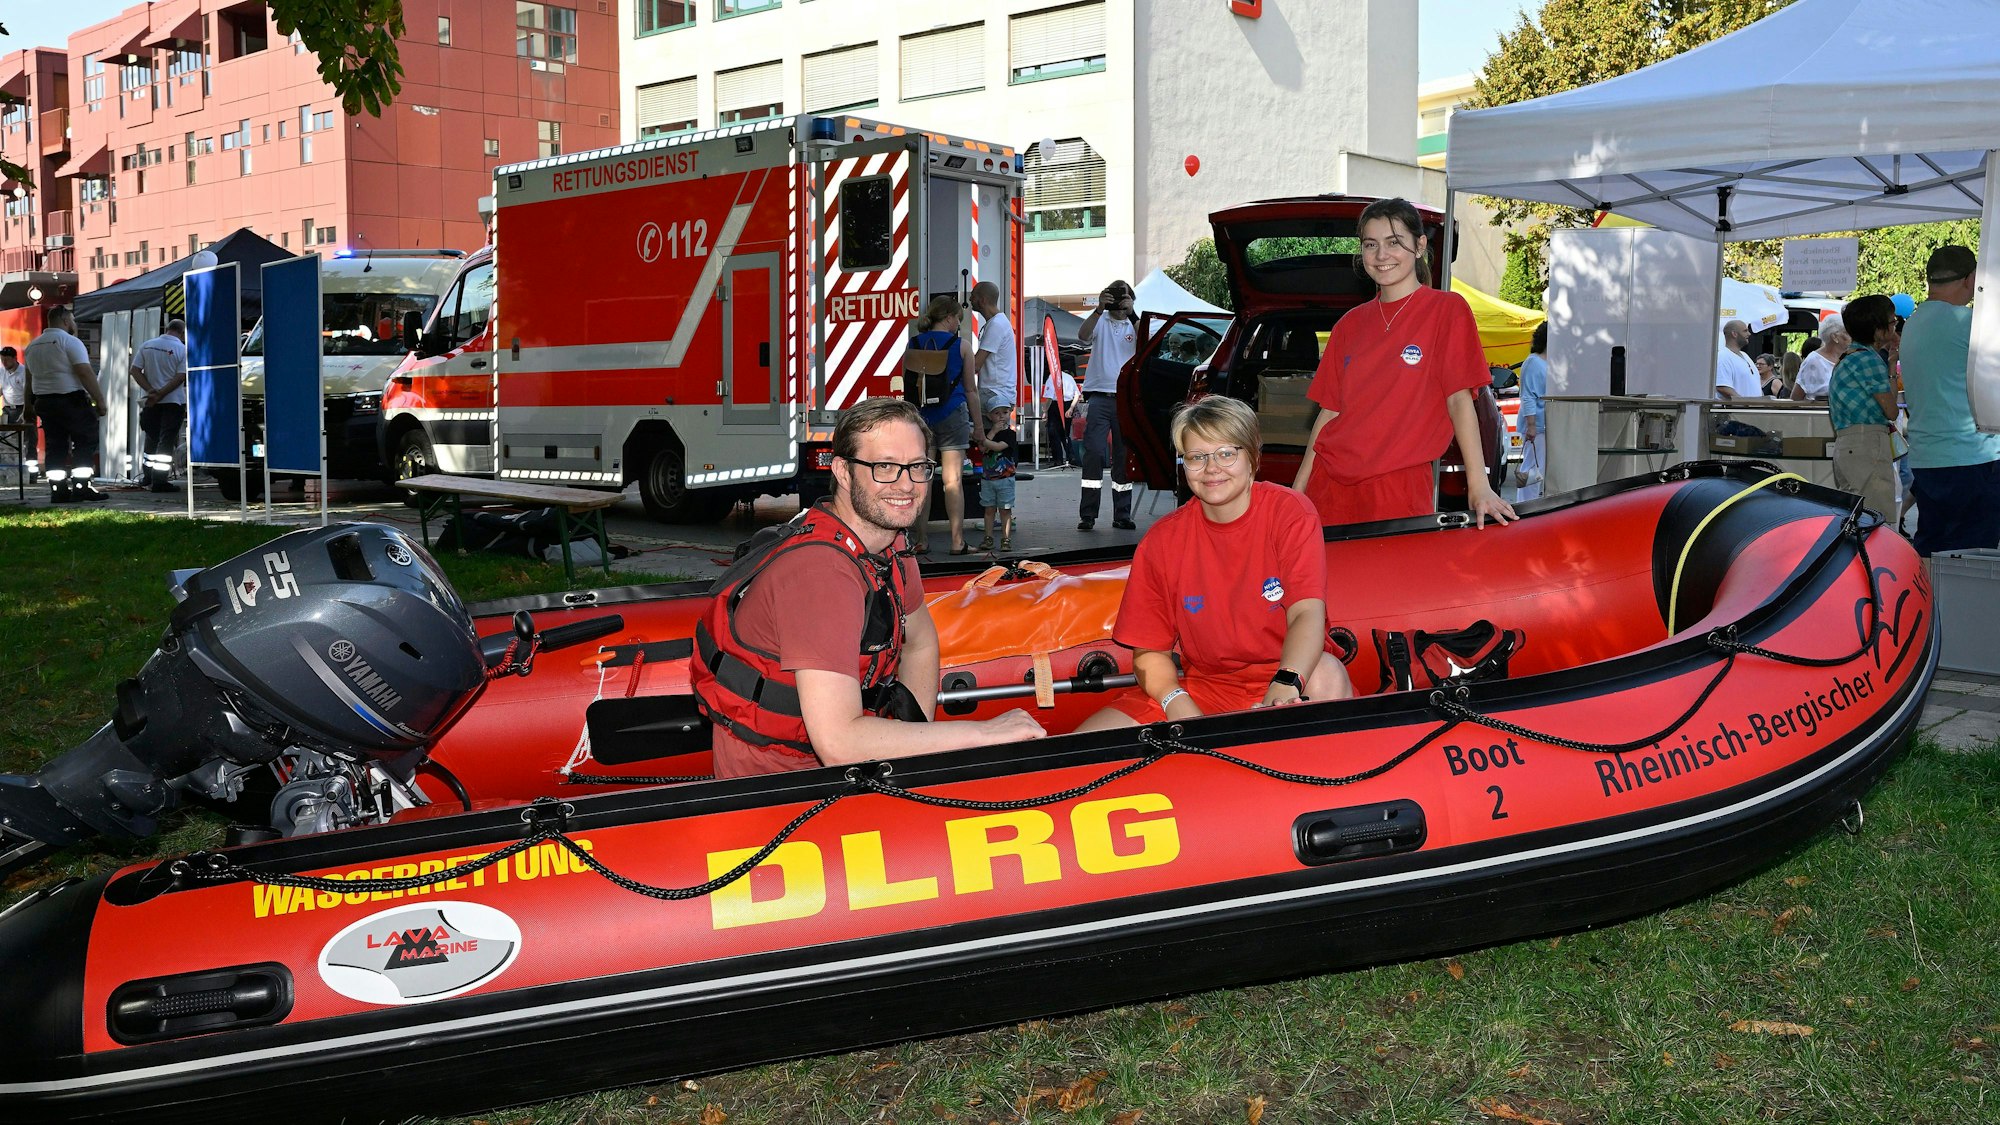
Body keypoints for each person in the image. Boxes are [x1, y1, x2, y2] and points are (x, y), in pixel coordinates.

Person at [688, 396, 1044, 778]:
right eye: (885, 467)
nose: (906, 485)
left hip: (834, 758)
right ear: (842, 472)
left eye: (917, 467)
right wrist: (983, 733)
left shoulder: (889, 543)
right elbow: (839, 743)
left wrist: (914, 740)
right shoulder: (820, 575)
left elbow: (920, 642)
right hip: (781, 779)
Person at [1079, 397, 1353, 732]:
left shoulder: (1289, 512)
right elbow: (1149, 652)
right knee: (1087, 742)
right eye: (1196, 457)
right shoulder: (1163, 541)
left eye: (1226, 453)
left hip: (1289, 673)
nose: (1211, 468)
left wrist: (1286, 683)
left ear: (1252, 455)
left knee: (1326, 675)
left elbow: (1306, 612)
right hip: (1207, 687)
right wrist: (1178, 704)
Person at [1293, 198, 1514, 528]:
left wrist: (1479, 486)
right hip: (1330, 485)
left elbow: (1458, 400)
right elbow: (1330, 413)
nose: (1381, 255)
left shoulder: (1447, 311)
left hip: (1400, 489)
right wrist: (1297, 495)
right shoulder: (1348, 325)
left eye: (1394, 242)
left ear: (1420, 245)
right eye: (1371, 244)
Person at [1899, 244, 2000, 558]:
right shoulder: (1971, 324)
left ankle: (1928, 608)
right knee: (1972, 562)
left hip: (1928, 458)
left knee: (1933, 552)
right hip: (1972, 456)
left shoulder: (1913, 323)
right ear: (1971, 279)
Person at [907, 295, 980, 555]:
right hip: (952, 415)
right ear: (949, 317)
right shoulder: (962, 346)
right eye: (957, 320)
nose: (956, 325)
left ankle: (921, 540)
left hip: (922, 419)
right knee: (952, 481)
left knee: (922, 480)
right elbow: (971, 390)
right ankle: (957, 542)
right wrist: (979, 427)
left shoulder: (914, 343)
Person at [22, 306, 109, 503]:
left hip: (44, 402)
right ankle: (81, 486)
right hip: (70, 399)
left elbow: (29, 379)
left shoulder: (33, 346)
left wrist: (28, 406)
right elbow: (84, 372)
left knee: (55, 445)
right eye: (73, 320)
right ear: (66, 321)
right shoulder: (70, 342)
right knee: (85, 440)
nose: (75, 324)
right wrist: (100, 400)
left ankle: (58, 490)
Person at [1827, 295, 1901, 521]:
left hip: (1849, 444)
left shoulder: (1850, 357)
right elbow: (1891, 411)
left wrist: (1890, 365)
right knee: (1876, 518)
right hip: (1867, 444)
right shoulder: (1868, 360)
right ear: (1878, 330)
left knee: (1857, 517)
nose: (1895, 326)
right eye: (1892, 322)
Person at [1076, 279, 1139, 530]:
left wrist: (1132, 312)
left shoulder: (1135, 324)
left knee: (1123, 457)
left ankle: (1122, 514)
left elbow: (1148, 342)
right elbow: (1082, 336)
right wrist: (1099, 308)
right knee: (1093, 452)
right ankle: (1088, 515)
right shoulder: (1099, 320)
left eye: (1122, 297)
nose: (1117, 301)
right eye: (1113, 295)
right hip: (1100, 397)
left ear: (1131, 299)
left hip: (1125, 398)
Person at [130, 318, 189, 492]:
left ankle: (147, 476)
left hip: (151, 402)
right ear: (182, 332)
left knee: (151, 438)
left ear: (167, 329)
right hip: (173, 402)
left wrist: (151, 391)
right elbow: (180, 377)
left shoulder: (147, 345)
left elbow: (134, 370)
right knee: (166, 439)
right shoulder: (182, 349)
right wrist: (161, 393)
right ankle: (160, 481)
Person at [966, 281, 1014, 435]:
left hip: (994, 393)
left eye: (972, 297)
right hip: (999, 393)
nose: (970, 301)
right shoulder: (998, 322)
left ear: (982, 300)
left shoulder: (996, 326)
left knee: (958, 420)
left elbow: (976, 365)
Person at [1514, 321, 1549, 502]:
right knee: (1533, 469)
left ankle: (1530, 503)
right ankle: (1526, 505)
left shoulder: (1540, 361)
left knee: (1536, 469)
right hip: (1538, 427)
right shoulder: (1534, 362)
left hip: (1543, 426)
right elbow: (1528, 396)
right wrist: (1531, 426)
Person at [977, 404, 1018, 551]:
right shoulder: (989, 432)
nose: (1001, 416)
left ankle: (1005, 540)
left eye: (1005, 412)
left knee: (1005, 510)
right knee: (989, 510)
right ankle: (988, 539)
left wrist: (980, 438)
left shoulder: (1010, 434)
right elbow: (983, 449)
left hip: (1005, 479)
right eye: (996, 413)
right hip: (988, 479)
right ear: (989, 416)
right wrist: (991, 432)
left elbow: (997, 447)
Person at [1792, 320, 1844, 400]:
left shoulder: (1849, 357)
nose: (1852, 337)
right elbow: (1796, 397)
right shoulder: (1813, 360)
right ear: (1834, 337)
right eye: (1847, 333)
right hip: (1819, 410)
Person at [1714, 320, 1762, 400]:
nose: (1749, 334)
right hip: (1738, 411)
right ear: (1734, 334)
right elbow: (1722, 387)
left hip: (1752, 409)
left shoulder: (1745, 355)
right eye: (1745, 331)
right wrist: (1744, 403)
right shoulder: (1723, 357)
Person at [0, 346, 26, 425]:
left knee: (20, 435)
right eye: (2, 360)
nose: (4, 362)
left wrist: (25, 411)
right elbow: (3, 388)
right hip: (7, 408)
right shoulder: (2, 371)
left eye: (7, 360)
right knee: (5, 435)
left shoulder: (23, 372)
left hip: (21, 408)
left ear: (15, 358)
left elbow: (28, 394)